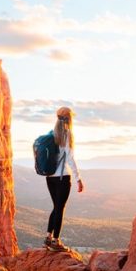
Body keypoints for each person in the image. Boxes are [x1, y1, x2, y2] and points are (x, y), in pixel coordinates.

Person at [44, 106, 84, 251]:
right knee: (60, 208)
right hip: (62, 177)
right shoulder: (67, 134)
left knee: (56, 206)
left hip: (49, 177)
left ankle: (48, 238)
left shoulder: (51, 134)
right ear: (69, 118)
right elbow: (70, 159)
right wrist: (78, 178)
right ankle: (55, 241)